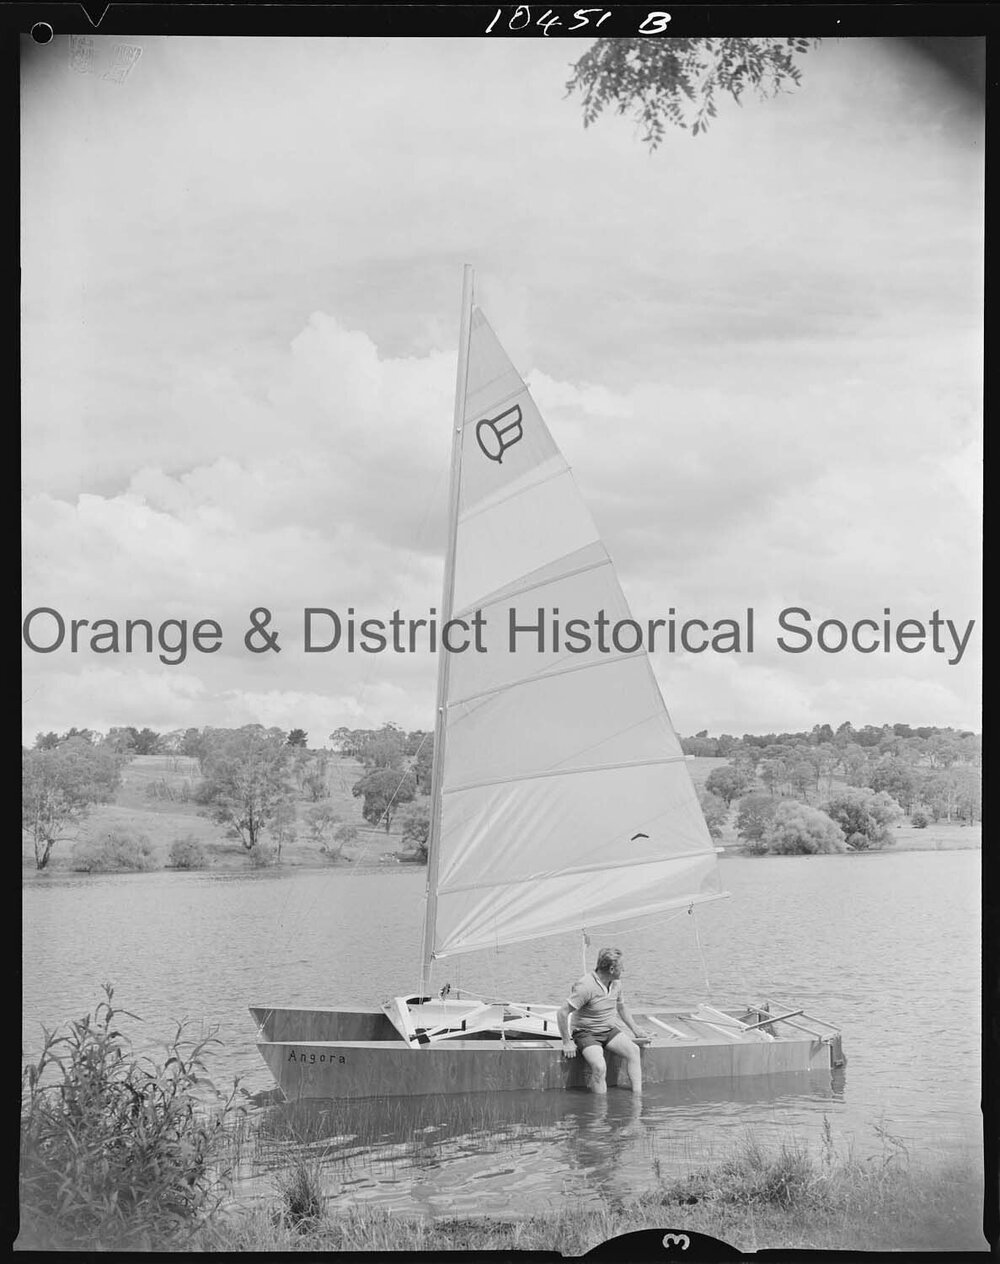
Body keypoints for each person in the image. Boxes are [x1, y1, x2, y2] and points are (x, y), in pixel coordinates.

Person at [556, 947, 651, 1095]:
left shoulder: (616, 984)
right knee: (600, 1067)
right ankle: (600, 1111)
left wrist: (635, 1029)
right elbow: (562, 1013)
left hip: (608, 1030)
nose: (624, 970)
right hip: (585, 1033)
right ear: (612, 969)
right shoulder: (585, 986)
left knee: (634, 1051)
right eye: (622, 967)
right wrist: (567, 1042)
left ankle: (637, 1098)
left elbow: (621, 1008)